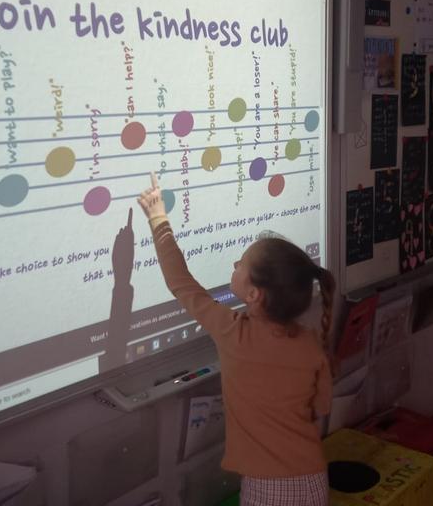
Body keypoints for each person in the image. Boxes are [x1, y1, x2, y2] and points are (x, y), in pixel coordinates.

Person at [137, 172, 334, 506]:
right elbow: (322, 406)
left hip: (268, 487)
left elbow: (180, 282)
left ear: (254, 294)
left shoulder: (234, 332)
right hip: (313, 479)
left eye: (240, 264)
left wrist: (158, 218)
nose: (234, 264)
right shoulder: (311, 343)